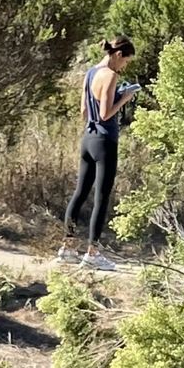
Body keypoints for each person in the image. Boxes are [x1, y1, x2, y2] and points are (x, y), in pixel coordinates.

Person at [58, 35, 138, 270]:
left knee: (80, 193)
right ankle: (92, 253)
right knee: (101, 198)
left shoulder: (91, 72)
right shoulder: (111, 75)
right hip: (105, 140)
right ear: (118, 55)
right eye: (126, 62)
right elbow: (105, 113)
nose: (125, 67)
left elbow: (85, 110)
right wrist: (124, 98)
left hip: (88, 138)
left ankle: (68, 248)